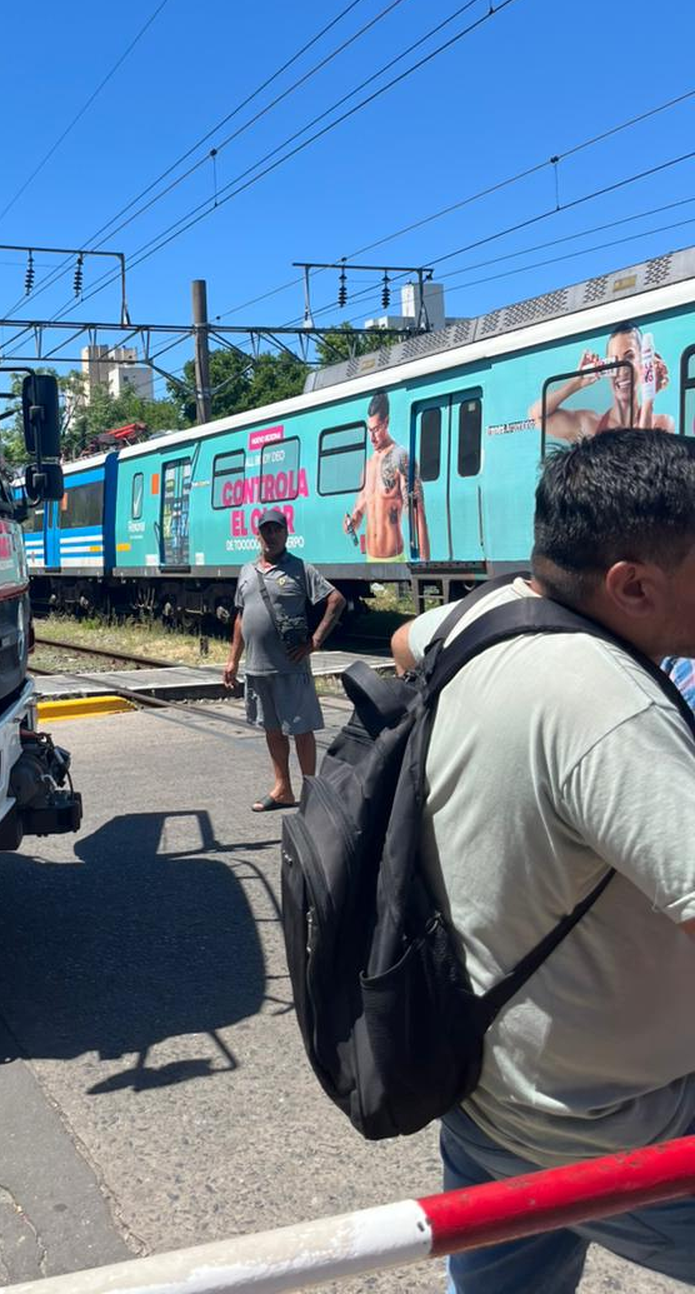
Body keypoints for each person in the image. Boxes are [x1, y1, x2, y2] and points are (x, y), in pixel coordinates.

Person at [390, 429, 695, 1292]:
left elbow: (405, 641)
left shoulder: (489, 614)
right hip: (615, 1126)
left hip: (485, 1089)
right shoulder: (609, 708)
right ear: (632, 585)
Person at [223, 509, 345, 812]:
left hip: (291, 667)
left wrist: (315, 641)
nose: (271, 535)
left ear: (286, 533)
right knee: (272, 729)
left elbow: (336, 600)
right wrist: (232, 661)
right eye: (266, 530)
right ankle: (283, 790)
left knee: (301, 729)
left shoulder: (300, 569)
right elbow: (241, 617)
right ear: (258, 535)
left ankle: (310, 791)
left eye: (276, 529)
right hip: (257, 667)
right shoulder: (247, 571)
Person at [529, 322, 675, 440]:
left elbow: (644, 459)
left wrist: (649, 396)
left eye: (629, 357)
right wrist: (577, 382)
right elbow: (537, 417)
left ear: (644, 361)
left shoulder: (662, 422)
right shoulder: (589, 424)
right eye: (614, 361)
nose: (621, 370)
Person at [344, 390, 430, 561]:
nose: (372, 438)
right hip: (370, 559)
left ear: (387, 422)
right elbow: (360, 511)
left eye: (376, 430)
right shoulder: (368, 465)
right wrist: (351, 522)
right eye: (369, 430)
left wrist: (425, 564)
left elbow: (417, 511)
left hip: (394, 560)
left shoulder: (401, 457)